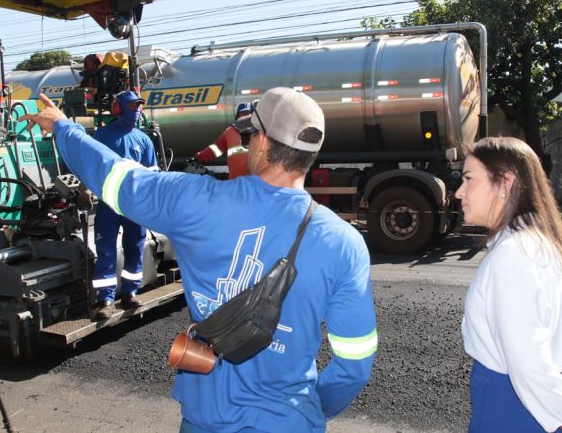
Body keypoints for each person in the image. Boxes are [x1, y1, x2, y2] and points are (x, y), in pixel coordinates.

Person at [21, 88, 376, 432]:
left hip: (208, 418)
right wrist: (305, 412)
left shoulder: (195, 201)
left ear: (264, 143)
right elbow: (355, 364)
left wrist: (63, 128)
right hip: (290, 421)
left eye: (251, 134)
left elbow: (116, 179)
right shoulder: (344, 243)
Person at [455, 136, 562, 433]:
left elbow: (527, 362)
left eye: (468, 179)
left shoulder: (512, 255)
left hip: (515, 407)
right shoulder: (556, 243)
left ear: (505, 182)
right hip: (556, 395)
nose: (459, 192)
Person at [90, 90, 159, 320]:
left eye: (139, 106)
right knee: (106, 250)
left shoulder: (144, 140)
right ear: (117, 109)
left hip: (134, 205)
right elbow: (90, 165)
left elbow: (152, 174)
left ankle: (130, 293)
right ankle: (105, 299)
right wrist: (85, 189)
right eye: (132, 106)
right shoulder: (102, 135)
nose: (137, 111)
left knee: (134, 248)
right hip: (109, 202)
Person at [193, 102, 254, 179]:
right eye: (243, 113)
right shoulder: (230, 132)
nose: (247, 115)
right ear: (237, 116)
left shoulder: (262, 131)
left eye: (249, 113)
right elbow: (215, 150)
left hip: (256, 182)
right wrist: (198, 158)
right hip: (237, 183)